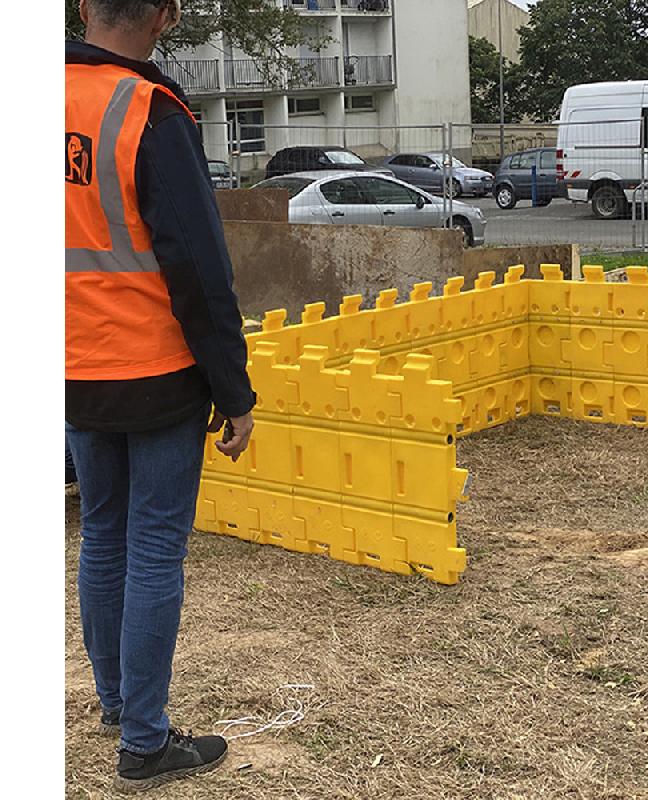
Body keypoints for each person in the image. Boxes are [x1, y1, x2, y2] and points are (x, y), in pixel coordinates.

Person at [66, 0, 255, 791]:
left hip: (70, 366)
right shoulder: (151, 111)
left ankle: (118, 703)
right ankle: (145, 741)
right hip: (152, 370)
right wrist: (234, 390)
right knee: (151, 550)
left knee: (101, 536)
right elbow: (199, 269)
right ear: (167, 17)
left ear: (82, 6)